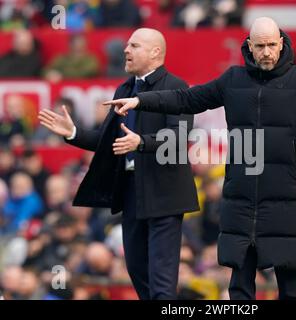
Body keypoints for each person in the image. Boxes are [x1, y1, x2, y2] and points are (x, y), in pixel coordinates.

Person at [105, 17, 296, 300]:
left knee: (291, 287)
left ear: (281, 44)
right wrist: (141, 100)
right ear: (249, 47)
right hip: (242, 200)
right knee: (240, 287)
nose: (266, 52)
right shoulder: (232, 79)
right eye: (260, 46)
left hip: (288, 200)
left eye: (271, 45)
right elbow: (186, 99)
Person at [38, 28, 199, 300]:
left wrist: (141, 143)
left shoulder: (176, 86)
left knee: (161, 275)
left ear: (155, 52)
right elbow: (107, 139)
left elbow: (179, 136)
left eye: (134, 46)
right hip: (131, 191)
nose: (126, 50)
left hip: (165, 193)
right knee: (137, 269)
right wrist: (73, 133)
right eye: (127, 45)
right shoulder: (124, 88)